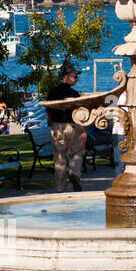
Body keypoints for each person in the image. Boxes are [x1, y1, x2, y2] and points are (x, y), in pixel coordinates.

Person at [45, 64, 85, 192]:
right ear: (66, 77)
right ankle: (74, 173)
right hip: (73, 126)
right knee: (77, 153)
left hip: (57, 128)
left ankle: (60, 188)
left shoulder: (52, 93)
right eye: (74, 77)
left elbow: (48, 111)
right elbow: (80, 114)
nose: (76, 79)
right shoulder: (74, 94)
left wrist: (52, 124)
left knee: (59, 159)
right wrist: (84, 130)